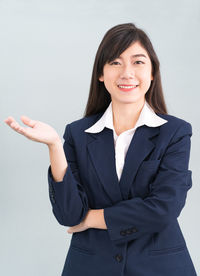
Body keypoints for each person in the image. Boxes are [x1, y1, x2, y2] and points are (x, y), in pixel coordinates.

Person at [4, 23, 197, 276]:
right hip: (90, 267)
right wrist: (54, 146)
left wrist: (91, 219)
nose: (127, 73)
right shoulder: (77, 133)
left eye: (138, 62)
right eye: (115, 63)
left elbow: (164, 209)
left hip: (160, 267)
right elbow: (69, 215)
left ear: (152, 73)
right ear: (101, 74)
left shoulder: (175, 132)